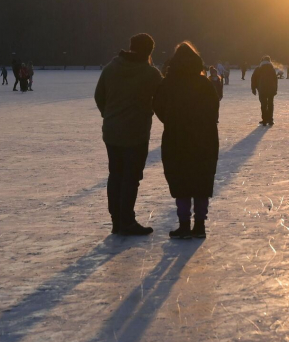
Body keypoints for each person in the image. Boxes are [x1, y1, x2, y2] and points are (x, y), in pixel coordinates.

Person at [93, 33, 162, 236]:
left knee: (116, 175)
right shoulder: (150, 73)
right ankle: (127, 221)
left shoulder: (111, 68)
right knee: (131, 178)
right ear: (149, 51)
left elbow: (99, 96)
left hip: (112, 132)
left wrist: (109, 115)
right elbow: (164, 98)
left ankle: (117, 221)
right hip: (136, 134)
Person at [153, 42, 220, 240]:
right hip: (204, 137)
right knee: (201, 180)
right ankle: (199, 225)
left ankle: (184, 225)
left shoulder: (168, 83)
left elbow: (157, 105)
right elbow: (214, 108)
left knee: (180, 179)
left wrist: (171, 120)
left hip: (176, 137)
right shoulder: (204, 83)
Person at [251, 55, 278, 126]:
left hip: (262, 89)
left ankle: (265, 120)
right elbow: (275, 80)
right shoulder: (272, 69)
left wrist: (253, 88)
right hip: (271, 89)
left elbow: (253, 79)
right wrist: (275, 89)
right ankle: (270, 119)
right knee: (270, 104)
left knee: (263, 104)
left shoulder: (258, 69)